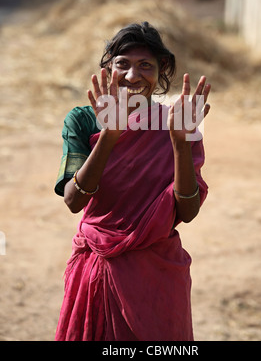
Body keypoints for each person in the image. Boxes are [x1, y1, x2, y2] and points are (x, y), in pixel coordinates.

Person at [54, 21, 211, 341]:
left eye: (145, 66)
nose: (132, 76)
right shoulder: (83, 120)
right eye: (122, 64)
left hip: (157, 275)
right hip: (98, 269)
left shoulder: (178, 121)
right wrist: (109, 136)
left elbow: (188, 211)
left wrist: (180, 144)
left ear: (161, 69)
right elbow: (74, 200)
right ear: (108, 66)